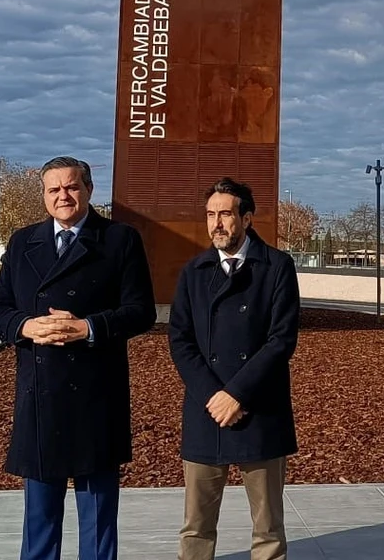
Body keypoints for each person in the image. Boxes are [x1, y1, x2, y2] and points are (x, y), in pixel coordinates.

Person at [0, 156, 154, 560]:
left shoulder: (119, 239)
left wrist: (88, 327)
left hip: (97, 394)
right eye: (54, 189)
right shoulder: (23, 241)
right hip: (40, 396)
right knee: (40, 516)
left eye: (72, 187)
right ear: (44, 196)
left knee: (98, 517)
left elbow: (141, 310)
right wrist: (26, 327)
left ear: (89, 190)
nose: (64, 196)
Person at [167, 177, 301, 560]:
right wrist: (215, 396)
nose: (216, 224)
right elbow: (180, 340)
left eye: (225, 214)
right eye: (210, 215)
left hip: (259, 409)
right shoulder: (194, 271)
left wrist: (236, 394)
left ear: (247, 218)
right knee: (196, 529)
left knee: (269, 530)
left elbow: (281, 341)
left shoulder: (277, 267)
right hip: (206, 410)